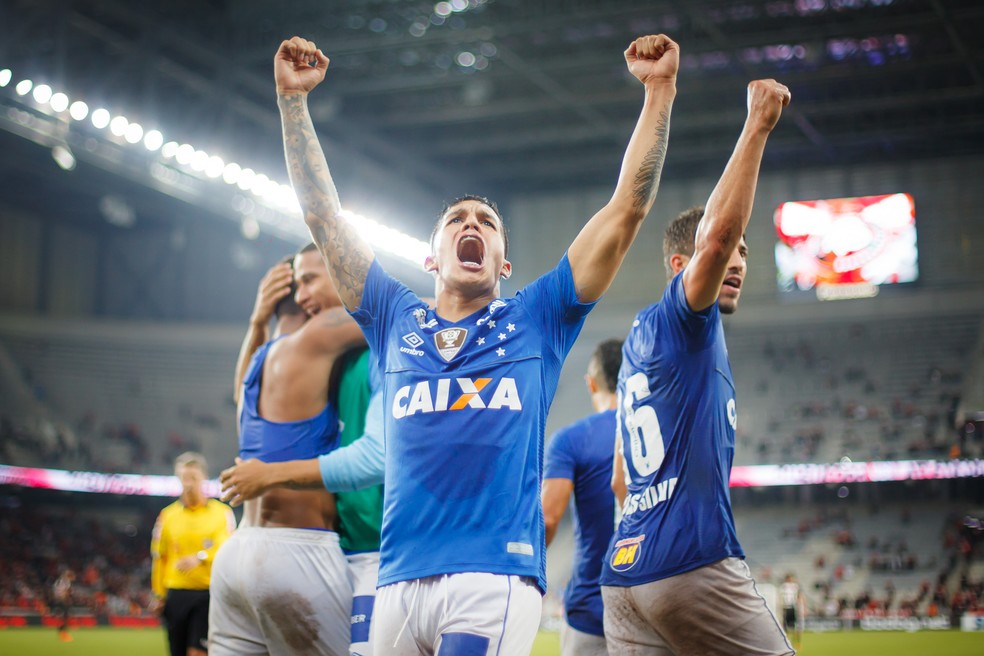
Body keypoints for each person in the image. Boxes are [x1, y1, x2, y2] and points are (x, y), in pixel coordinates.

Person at [271, 32, 678, 654]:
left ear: (504, 262)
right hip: (397, 577)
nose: (471, 225)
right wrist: (292, 103)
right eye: (456, 220)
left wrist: (658, 92)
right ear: (432, 259)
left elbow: (626, 210)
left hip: (494, 574)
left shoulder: (539, 316)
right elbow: (324, 217)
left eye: (486, 222)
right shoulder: (391, 318)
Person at [600, 78, 794, 656]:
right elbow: (714, 243)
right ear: (680, 264)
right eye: (732, 249)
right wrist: (757, 125)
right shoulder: (684, 320)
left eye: (744, 256)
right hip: (691, 561)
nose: (736, 261)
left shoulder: (639, 344)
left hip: (625, 574)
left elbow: (619, 479)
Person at [218, 250, 386, 656]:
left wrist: (258, 320)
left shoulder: (259, 362)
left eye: (312, 279)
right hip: (297, 550)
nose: (307, 291)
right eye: (302, 283)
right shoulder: (319, 336)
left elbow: (238, 394)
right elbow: (399, 315)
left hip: (235, 555)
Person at [541, 338, 623, 656]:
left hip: (594, 608)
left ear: (591, 383)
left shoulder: (571, 440)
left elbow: (548, 519)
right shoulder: (664, 431)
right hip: (654, 599)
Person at [151, 452, 234, 656]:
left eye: (193, 478)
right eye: (184, 478)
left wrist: (200, 557)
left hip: (207, 593)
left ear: (204, 478)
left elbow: (227, 547)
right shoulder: (167, 516)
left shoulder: (221, 513)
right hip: (176, 593)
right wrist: (158, 594)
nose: (188, 483)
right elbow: (160, 557)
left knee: (198, 652)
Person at [780, 573, 805, 649]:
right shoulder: (783, 587)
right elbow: (781, 598)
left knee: (796, 627)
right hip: (786, 608)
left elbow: (799, 597)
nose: (791, 580)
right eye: (790, 578)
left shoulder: (795, 586)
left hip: (794, 608)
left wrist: (801, 607)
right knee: (786, 627)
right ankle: (787, 642)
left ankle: (797, 643)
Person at [51, 568, 75, 642]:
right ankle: (63, 632)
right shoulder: (66, 581)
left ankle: (61, 631)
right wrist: (67, 600)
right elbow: (66, 592)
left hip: (55, 600)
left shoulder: (58, 581)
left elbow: (54, 590)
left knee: (61, 616)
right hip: (62, 601)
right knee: (66, 616)